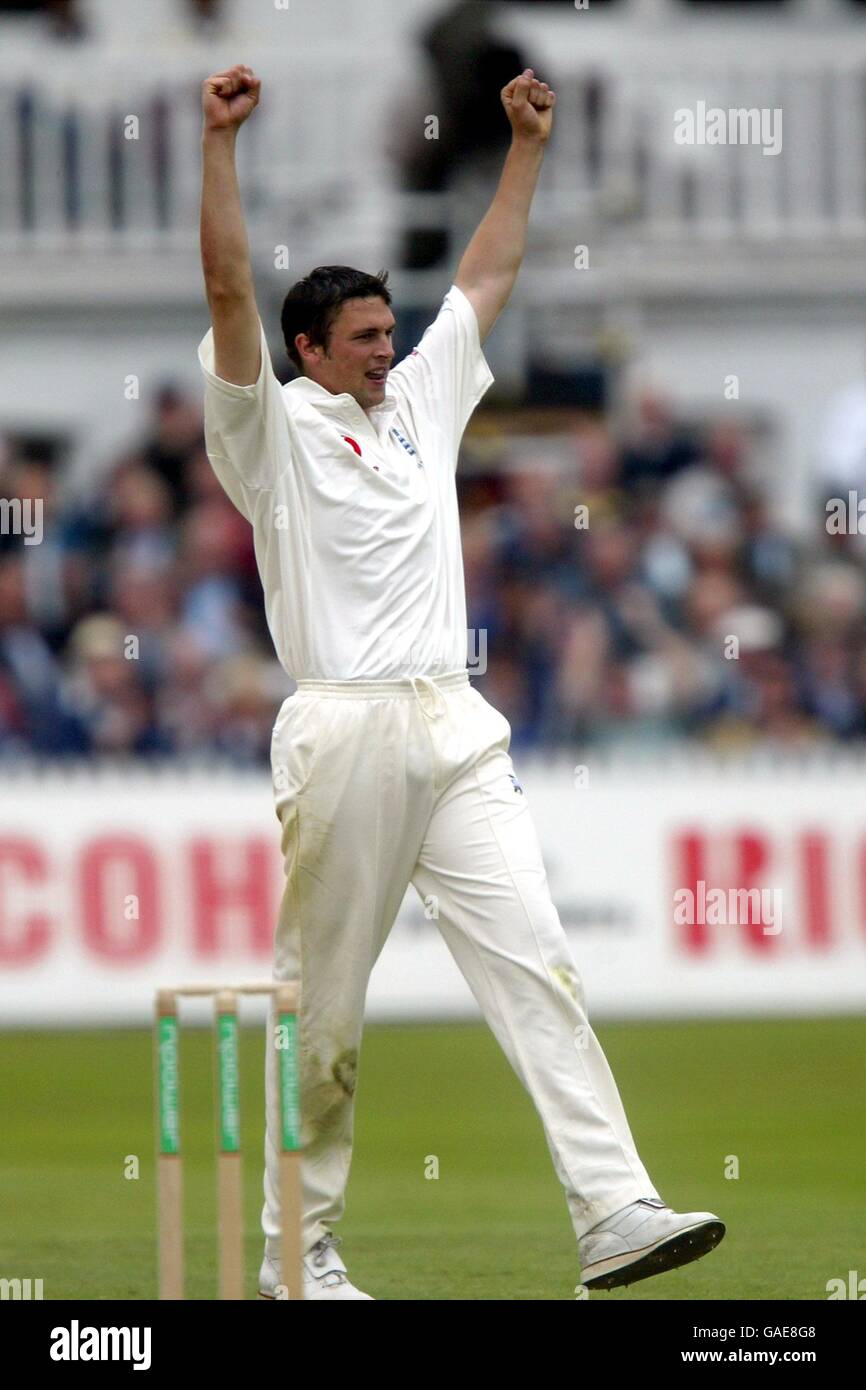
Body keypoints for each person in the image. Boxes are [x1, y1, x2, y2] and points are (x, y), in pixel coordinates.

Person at [197, 63, 725, 1301]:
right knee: (322, 1015)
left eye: (393, 332)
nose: (391, 350)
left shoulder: (422, 402)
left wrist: (525, 145)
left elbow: (484, 274)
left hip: (453, 722)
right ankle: (298, 1256)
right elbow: (226, 283)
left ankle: (611, 1211)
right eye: (367, 338)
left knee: (537, 961)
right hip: (342, 725)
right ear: (307, 349)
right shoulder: (263, 430)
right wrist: (220, 145)